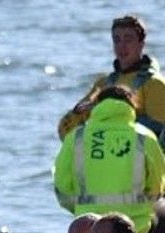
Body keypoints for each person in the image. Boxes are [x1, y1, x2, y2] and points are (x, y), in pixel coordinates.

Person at [53, 86, 165, 233]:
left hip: (90, 229)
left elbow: (62, 189)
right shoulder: (145, 137)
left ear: (97, 106)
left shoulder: (76, 137)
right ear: (131, 106)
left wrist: (82, 209)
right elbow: (156, 188)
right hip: (135, 229)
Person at [58, 15, 165, 143]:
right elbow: (65, 130)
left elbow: (160, 135)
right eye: (117, 40)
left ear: (141, 43)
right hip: (103, 157)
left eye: (128, 39)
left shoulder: (154, 83)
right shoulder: (104, 83)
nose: (122, 46)